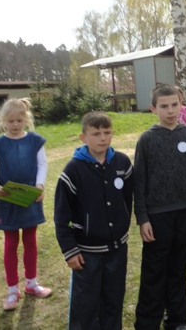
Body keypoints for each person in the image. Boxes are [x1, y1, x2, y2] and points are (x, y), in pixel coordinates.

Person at [133, 84, 186, 330]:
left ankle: (177, 321)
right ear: (153, 109)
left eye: (175, 105)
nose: (170, 111)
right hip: (157, 218)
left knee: (178, 269)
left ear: (181, 105)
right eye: (164, 106)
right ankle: (147, 323)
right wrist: (142, 217)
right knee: (154, 272)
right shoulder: (147, 140)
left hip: (185, 213)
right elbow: (139, 182)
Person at [54, 112, 134, 330]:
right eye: (96, 133)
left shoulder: (122, 162)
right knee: (86, 304)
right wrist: (70, 250)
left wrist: (122, 224)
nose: (103, 138)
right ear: (83, 137)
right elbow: (62, 216)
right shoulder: (73, 171)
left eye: (107, 132)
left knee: (114, 298)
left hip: (117, 248)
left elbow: (128, 198)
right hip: (86, 253)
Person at [0, 98, 52, 311]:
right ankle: (12, 290)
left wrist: (40, 185)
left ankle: (32, 283)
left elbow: (42, 164)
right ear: (3, 121)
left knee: (30, 241)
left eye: (19, 120)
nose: (15, 124)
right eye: (11, 121)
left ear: (26, 119)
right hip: (7, 201)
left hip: (30, 198)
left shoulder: (35, 140)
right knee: (10, 243)